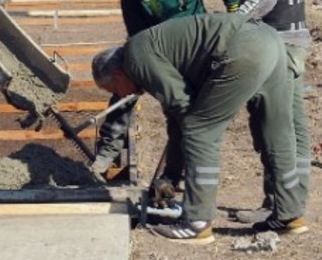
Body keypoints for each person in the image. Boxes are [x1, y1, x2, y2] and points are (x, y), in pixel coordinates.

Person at [91, 14, 306, 245]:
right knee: (276, 134)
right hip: (270, 40)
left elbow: (183, 111)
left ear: (117, 74)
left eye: (113, 89)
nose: (123, 96)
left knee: (199, 130)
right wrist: (171, 175)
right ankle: (290, 215)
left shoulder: (137, 56)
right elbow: (177, 113)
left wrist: (172, 174)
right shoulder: (150, 48)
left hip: (242, 48)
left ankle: (197, 223)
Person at [90, 0, 241, 182]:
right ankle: (107, 152)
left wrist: (235, 17)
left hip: (196, 53)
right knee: (124, 89)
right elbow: (137, 38)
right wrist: (143, 75)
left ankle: (180, 172)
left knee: (180, 112)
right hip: (158, 54)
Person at [233, 0, 314, 223]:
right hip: (286, 41)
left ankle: (284, 206)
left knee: (277, 128)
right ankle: (285, 201)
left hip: (278, 44)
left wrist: (228, 27)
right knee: (288, 126)